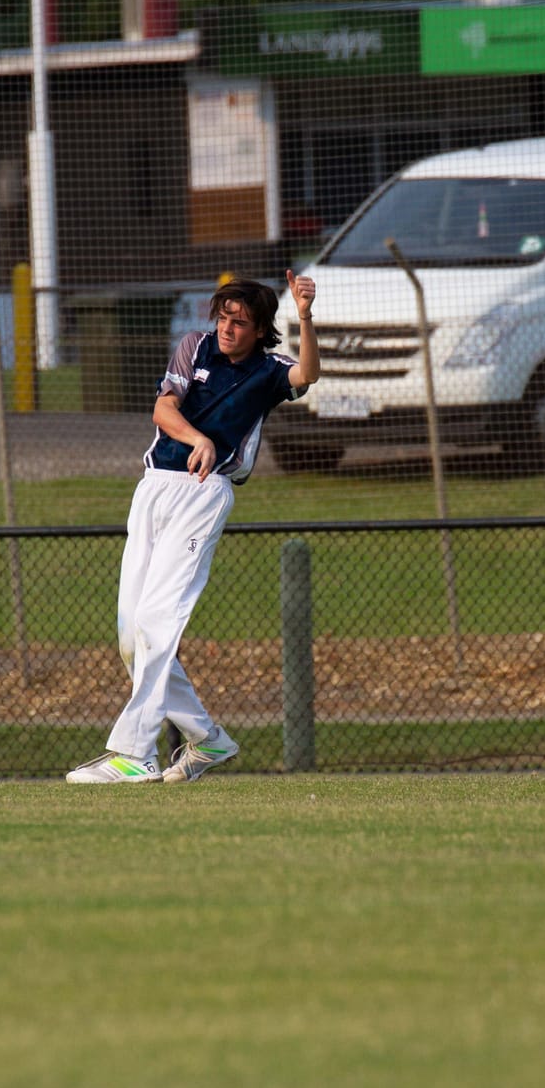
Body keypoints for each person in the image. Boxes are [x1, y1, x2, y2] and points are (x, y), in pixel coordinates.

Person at [66, 270, 320, 784]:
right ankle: (209, 740)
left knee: (159, 620)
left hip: (203, 496)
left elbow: (308, 375)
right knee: (132, 639)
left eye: (240, 322)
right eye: (224, 317)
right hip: (153, 487)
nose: (227, 328)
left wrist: (307, 316)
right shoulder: (193, 347)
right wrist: (197, 436)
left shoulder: (270, 371)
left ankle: (136, 754)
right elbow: (163, 408)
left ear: (259, 328)